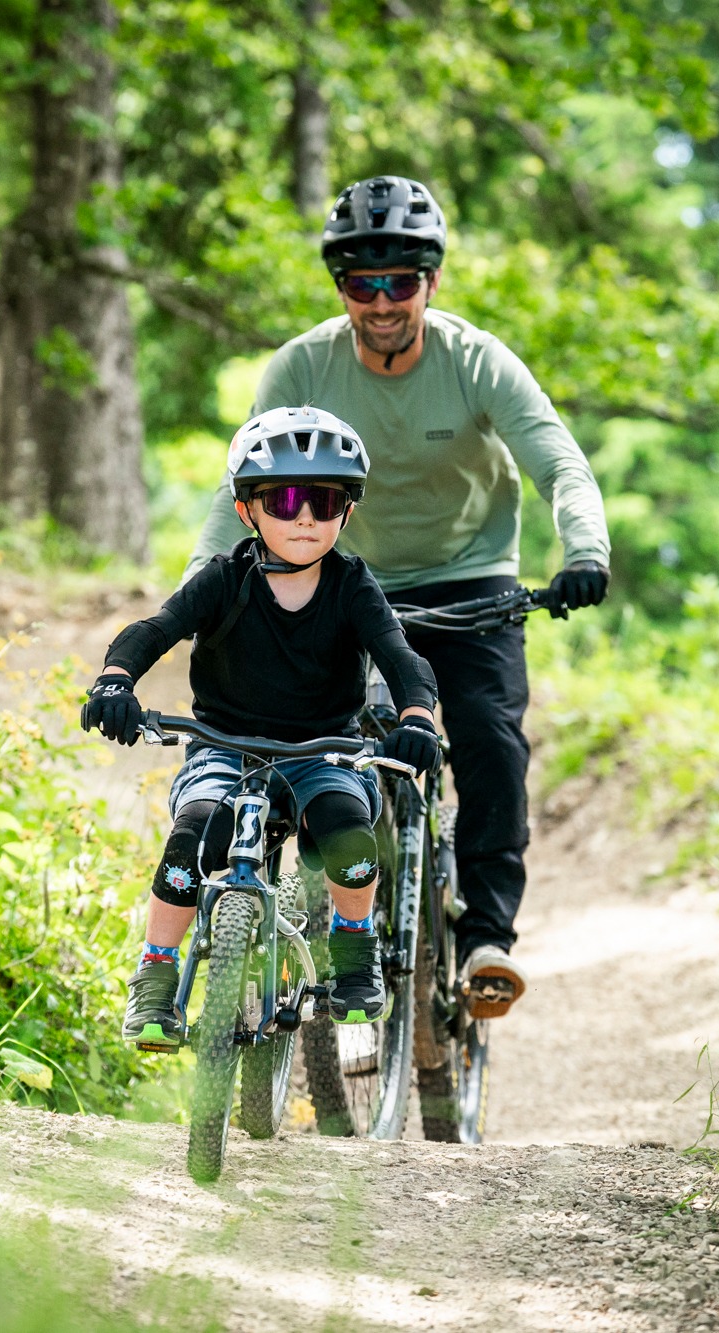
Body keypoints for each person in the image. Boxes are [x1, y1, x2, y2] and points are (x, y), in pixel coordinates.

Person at [185, 175, 611, 1021]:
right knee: (291, 730)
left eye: (401, 281)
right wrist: (200, 583)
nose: (381, 301)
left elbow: (559, 461)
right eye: (360, 282)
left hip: (470, 581)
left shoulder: (476, 361)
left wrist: (585, 549)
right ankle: (276, 923)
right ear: (340, 286)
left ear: (432, 282)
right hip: (342, 579)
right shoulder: (304, 365)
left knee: (487, 733)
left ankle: (487, 935)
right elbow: (233, 487)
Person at [82, 406, 441, 1049]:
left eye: (324, 500)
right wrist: (115, 680)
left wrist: (416, 717)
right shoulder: (225, 579)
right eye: (285, 498)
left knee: (348, 831)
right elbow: (152, 631)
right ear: (247, 509)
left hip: (323, 750)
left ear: (347, 512)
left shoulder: (353, 587)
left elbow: (400, 657)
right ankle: (157, 975)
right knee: (192, 840)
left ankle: (354, 948)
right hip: (225, 750)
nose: (305, 516)